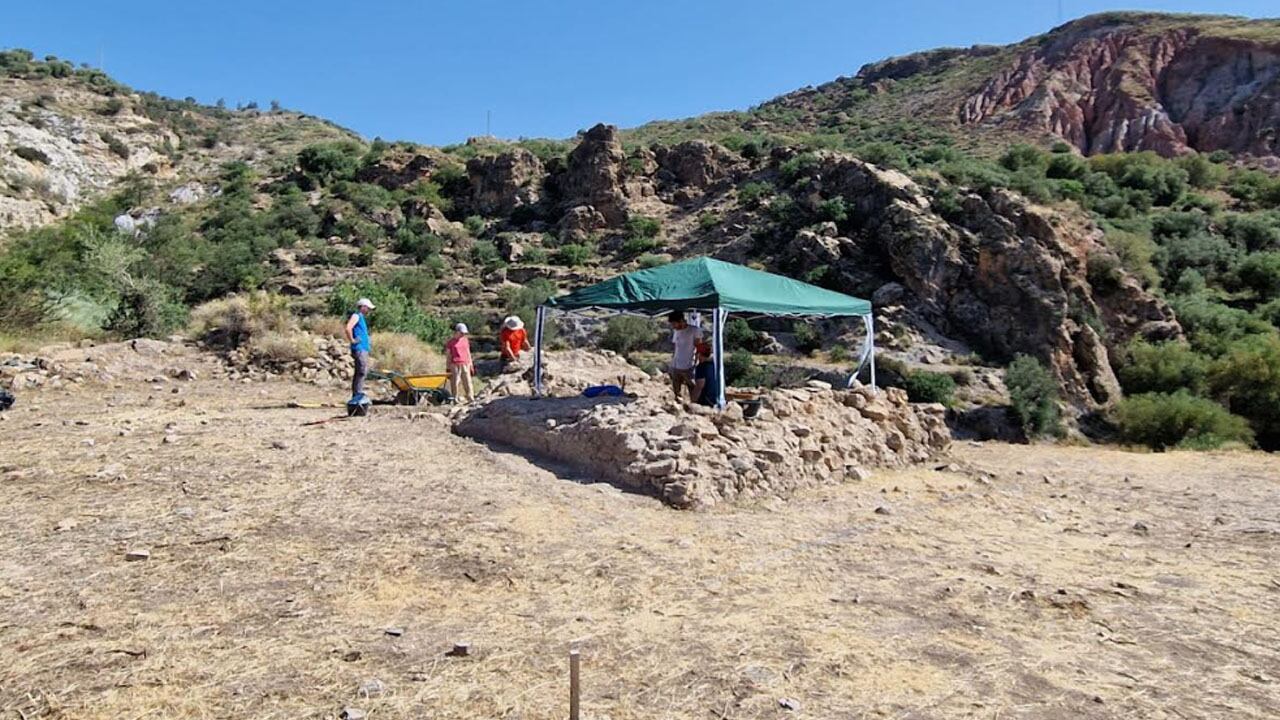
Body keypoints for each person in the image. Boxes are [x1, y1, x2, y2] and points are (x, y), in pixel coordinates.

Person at [344, 297, 375, 403]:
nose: (369, 311)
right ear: (363, 307)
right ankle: (357, 395)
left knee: (362, 371)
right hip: (359, 348)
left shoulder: (361, 317)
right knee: (361, 371)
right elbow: (348, 328)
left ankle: (358, 393)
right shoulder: (356, 316)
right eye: (368, 308)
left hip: (363, 348)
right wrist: (352, 340)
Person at [668, 310, 701, 401]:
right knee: (676, 389)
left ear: (681, 321)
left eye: (674, 324)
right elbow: (676, 348)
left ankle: (694, 406)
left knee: (692, 387)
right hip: (676, 365)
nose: (673, 326)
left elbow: (699, 346)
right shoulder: (676, 332)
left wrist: (697, 362)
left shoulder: (694, 330)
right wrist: (672, 364)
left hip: (689, 365)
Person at [445, 323, 475, 404]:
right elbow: (448, 356)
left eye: (464, 333)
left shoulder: (465, 340)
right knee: (455, 382)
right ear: (457, 332)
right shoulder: (450, 342)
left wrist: (471, 365)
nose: (463, 334)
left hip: (465, 363)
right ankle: (455, 398)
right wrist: (447, 367)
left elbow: (468, 353)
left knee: (467, 381)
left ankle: (470, 397)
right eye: (461, 333)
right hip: (454, 364)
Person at [691, 340, 719, 407]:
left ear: (699, 354)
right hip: (718, 399)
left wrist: (692, 402)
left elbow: (699, 386)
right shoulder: (717, 366)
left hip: (707, 402)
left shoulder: (701, 367)